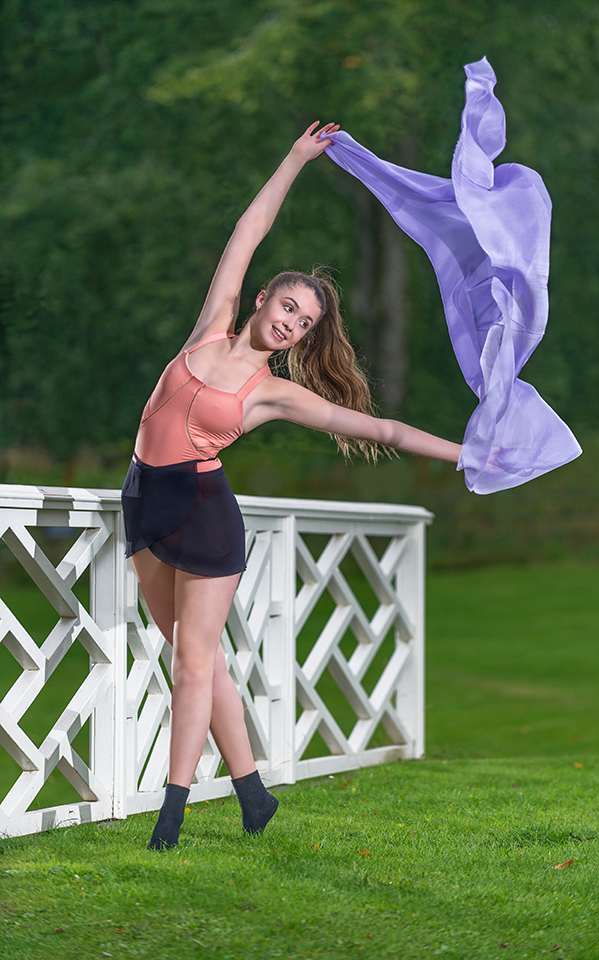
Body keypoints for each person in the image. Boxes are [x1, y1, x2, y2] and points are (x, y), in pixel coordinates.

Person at [121, 121, 462, 851]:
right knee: (190, 654)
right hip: (143, 498)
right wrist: (296, 159)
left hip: (205, 515)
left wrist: (463, 454)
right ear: (261, 301)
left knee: (190, 664)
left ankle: (171, 816)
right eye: (287, 309)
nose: (292, 326)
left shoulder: (274, 393)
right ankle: (252, 797)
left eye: (305, 324)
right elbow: (248, 229)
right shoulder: (210, 328)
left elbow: (385, 431)